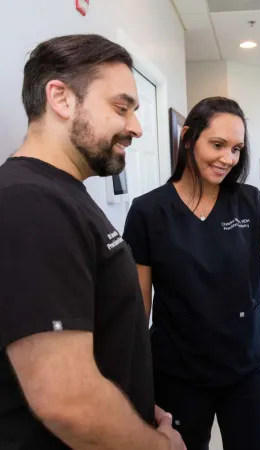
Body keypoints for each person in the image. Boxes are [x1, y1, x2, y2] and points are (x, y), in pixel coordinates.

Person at [0, 34, 185, 450]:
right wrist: (161, 447)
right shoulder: (28, 203)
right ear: (61, 99)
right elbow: (68, 401)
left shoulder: (66, 195)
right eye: (121, 108)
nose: (136, 128)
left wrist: (134, 407)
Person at [123, 96, 260, 450]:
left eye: (236, 149)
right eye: (218, 145)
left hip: (248, 367)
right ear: (188, 138)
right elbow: (138, 309)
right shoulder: (148, 212)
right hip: (179, 373)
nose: (228, 158)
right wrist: (133, 383)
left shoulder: (250, 202)